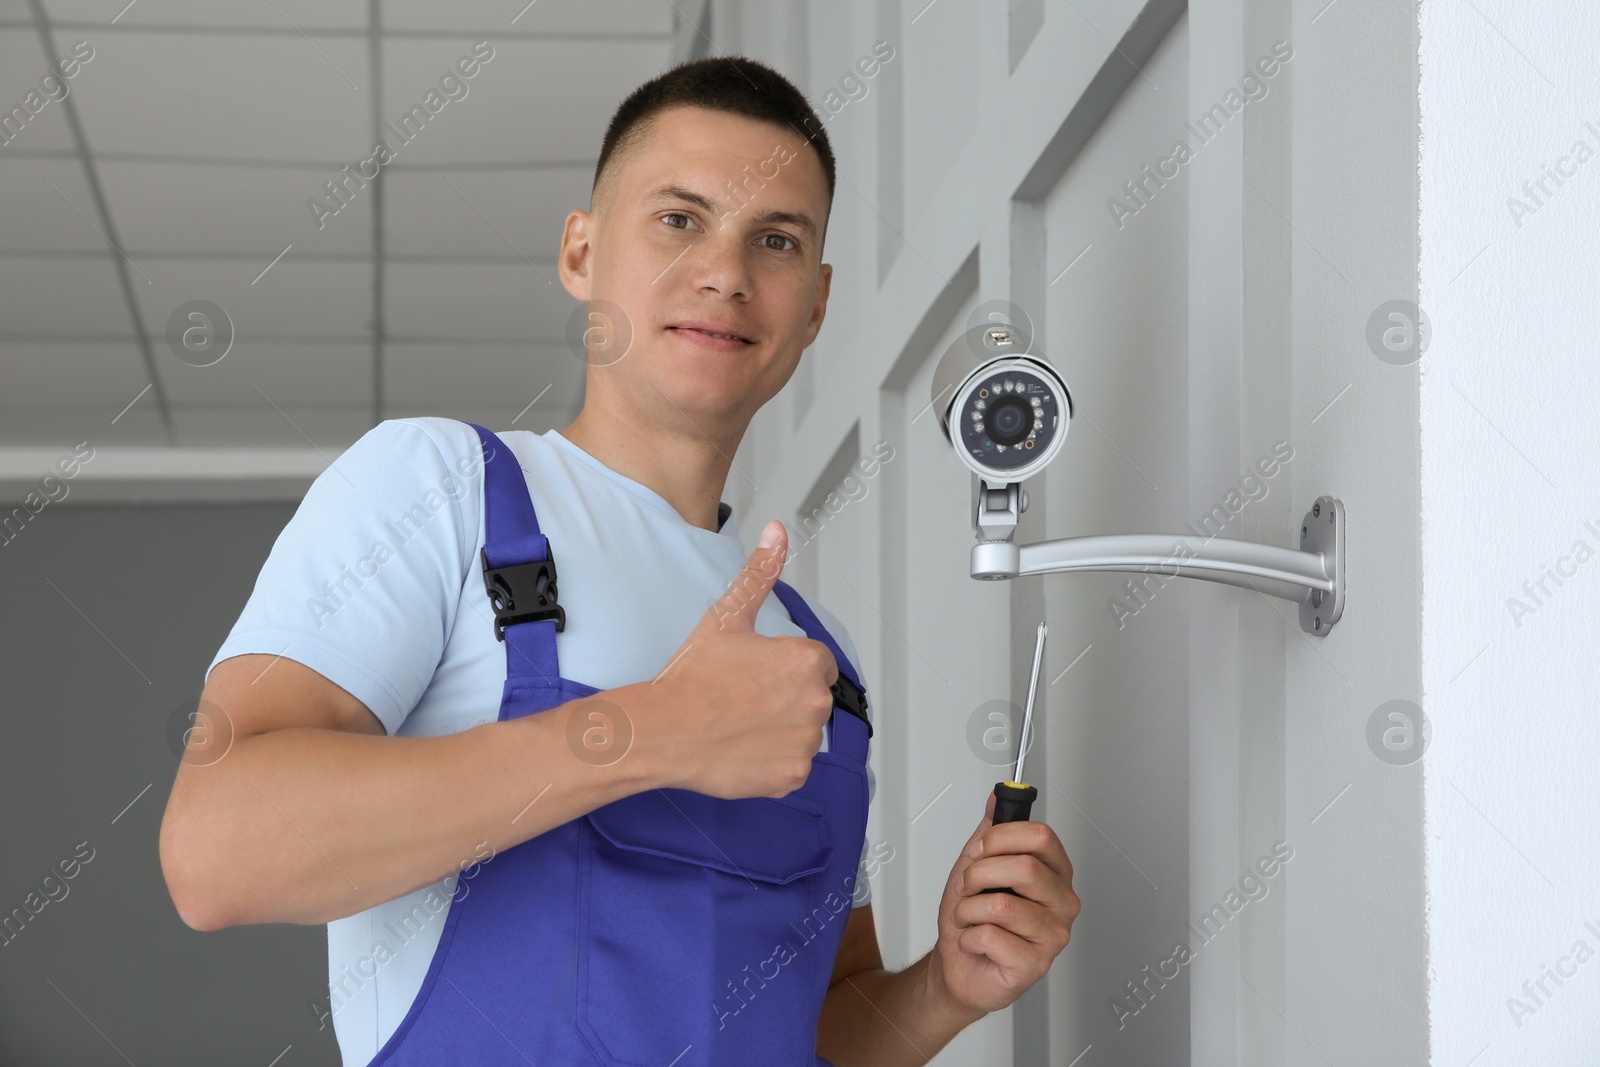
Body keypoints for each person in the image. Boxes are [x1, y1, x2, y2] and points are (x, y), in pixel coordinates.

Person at [158, 55, 1080, 1066]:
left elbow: (809, 1027)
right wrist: (646, 731)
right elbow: (217, 849)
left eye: (774, 240)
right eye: (679, 219)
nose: (727, 271)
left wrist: (945, 985)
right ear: (582, 252)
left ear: (813, 305)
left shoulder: (816, 657)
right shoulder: (441, 487)